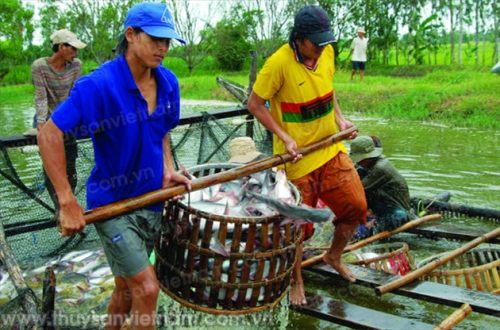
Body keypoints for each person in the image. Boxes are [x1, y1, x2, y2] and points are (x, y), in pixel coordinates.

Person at [38, 3, 191, 329]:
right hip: (113, 206)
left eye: (168, 41)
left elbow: (162, 128)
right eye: (155, 39)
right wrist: (67, 200)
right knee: (147, 290)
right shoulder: (99, 85)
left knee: (125, 288)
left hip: (150, 202)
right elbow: (49, 134)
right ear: (131, 35)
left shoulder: (168, 83)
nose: (163, 48)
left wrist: (167, 167)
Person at [247, 5, 367, 306]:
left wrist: (340, 120)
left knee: (355, 206)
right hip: (297, 159)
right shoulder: (277, 64)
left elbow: (328, 90)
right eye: (316, 42)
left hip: (330, 148)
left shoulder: (326, 54)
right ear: (299, 40)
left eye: (326, 41)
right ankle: (295, 280)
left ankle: (334, 255)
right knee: (298, 227)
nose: (322, 47)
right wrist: (284, 136)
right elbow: (255, 104)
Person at [32, 29, 86, 209]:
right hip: (46, 117)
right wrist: (42, 126)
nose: (75, 53)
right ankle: (59, 206)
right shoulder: (40, 66)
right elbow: (41, 97)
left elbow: (75, 95)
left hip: (67, 116)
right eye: (72, 48)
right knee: (51, 165)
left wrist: (77, 118)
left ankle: (70, 202)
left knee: (70, 163)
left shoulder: (76, 65)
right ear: (61, 47)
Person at [349, 136, 415, 240]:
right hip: (381, 206)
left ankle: (372, 222)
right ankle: (370, 215)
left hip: (396, 211)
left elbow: (357, 190)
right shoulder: (366, 165)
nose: (357, 162)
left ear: (367, 157)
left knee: (363, 232)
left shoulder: (381, 168)